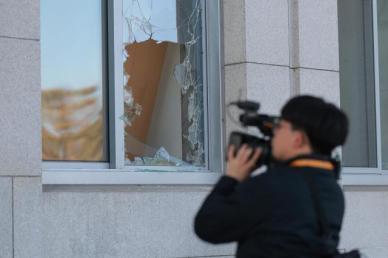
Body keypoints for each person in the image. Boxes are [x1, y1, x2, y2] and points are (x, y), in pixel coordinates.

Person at [194, 95, 349, 258]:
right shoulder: (334, 191)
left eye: (280, 127)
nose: (274, 132)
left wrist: (232, 177)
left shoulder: (272, 187)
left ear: (298, 140)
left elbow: (207, 226)